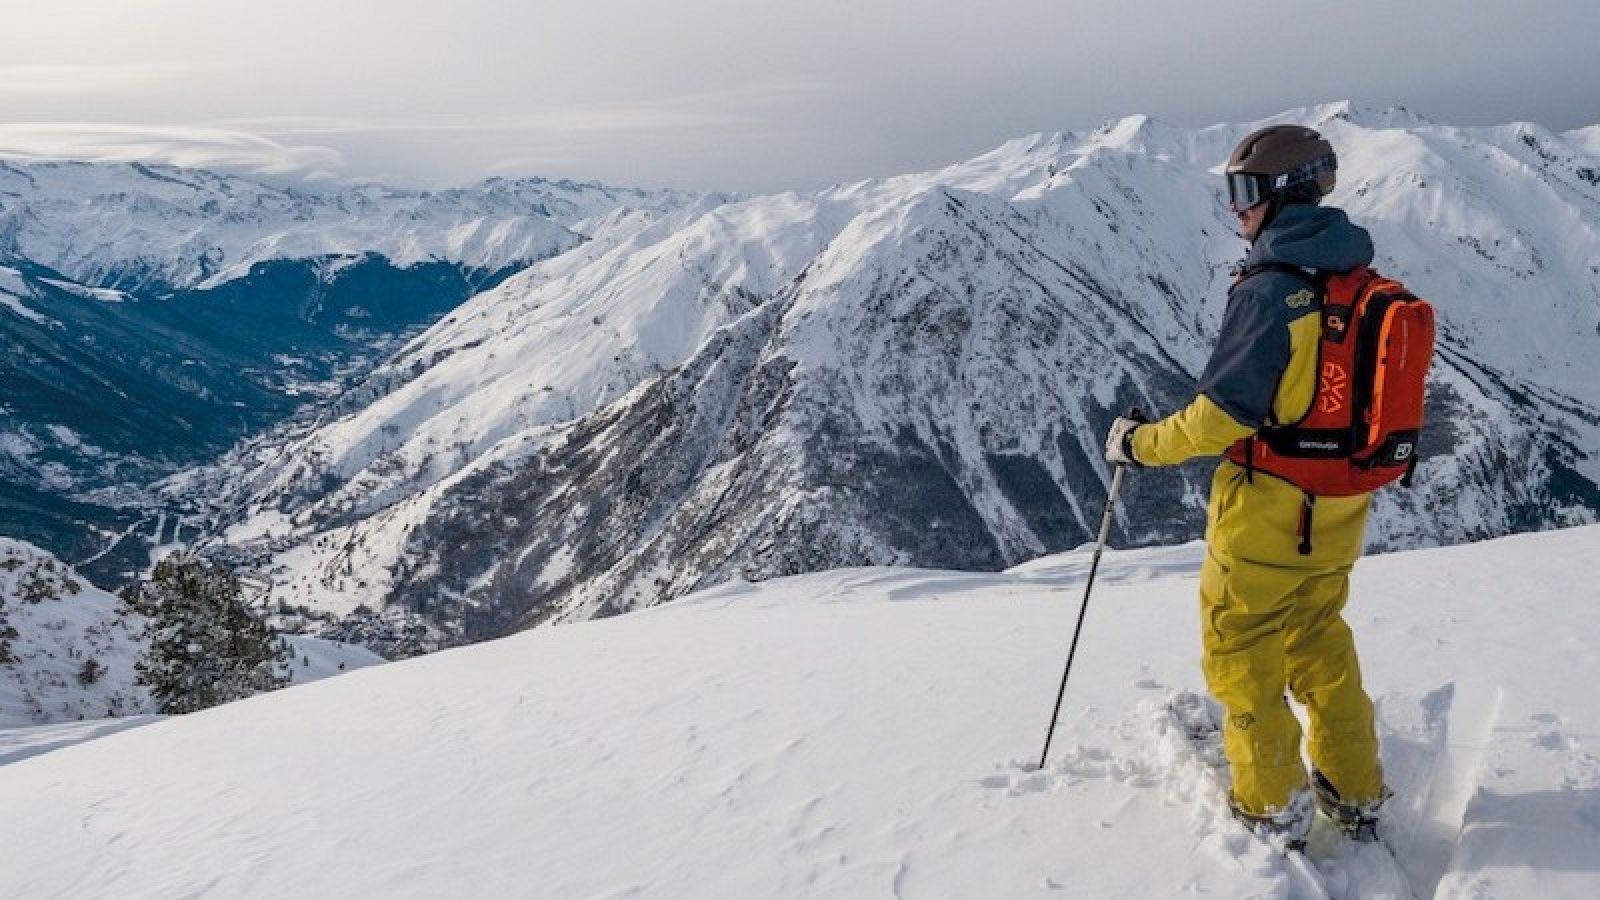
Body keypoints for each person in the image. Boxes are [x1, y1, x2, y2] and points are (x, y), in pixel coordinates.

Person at [1103, 125, 1389, 846]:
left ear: (1278, 194)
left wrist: (1140, 445)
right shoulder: (1354, 278)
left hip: (1269, 514)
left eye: (1243, 194)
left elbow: (1218, 420)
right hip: (1341, 506)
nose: (1236, 212)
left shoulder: (1272, 292)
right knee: (1320, 639)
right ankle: (1354, 788)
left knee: (1243, 647)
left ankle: (1269, 803)